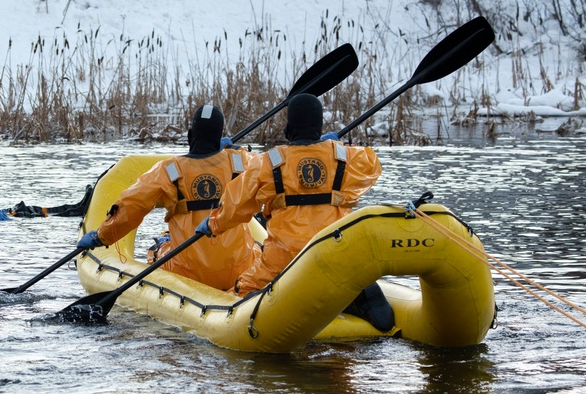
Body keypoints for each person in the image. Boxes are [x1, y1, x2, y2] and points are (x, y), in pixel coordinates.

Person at [197, 93, 382, 296]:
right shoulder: (347, 158)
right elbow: (372, 167)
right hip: (335, 252)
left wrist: (213, 223)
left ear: (287, 129)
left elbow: (235, 205)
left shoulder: (266, 162)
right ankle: (356, 296)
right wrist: (337, 148)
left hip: (283, 261)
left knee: (239, 292)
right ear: (320, 126)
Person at [76, 104, 258, 292]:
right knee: (257, 247)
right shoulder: (242, 161)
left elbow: (130, 207)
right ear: (220, 138)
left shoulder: (167, 171)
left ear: (189, 135)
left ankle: (163, 245)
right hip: (240, 269)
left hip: (187, 273)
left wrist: (102, 236)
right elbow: (271, 168)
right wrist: (238, 150)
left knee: (157, 249)